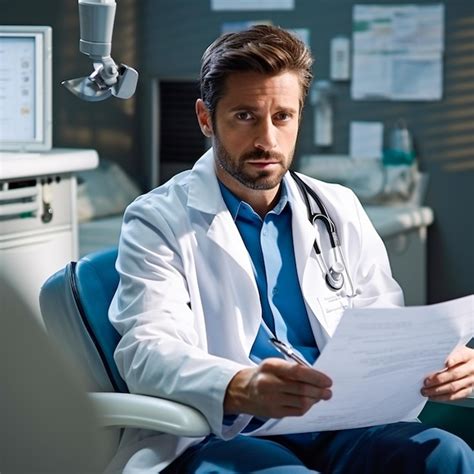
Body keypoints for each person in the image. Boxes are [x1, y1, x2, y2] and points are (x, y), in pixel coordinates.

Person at [107, 25, 474, 473]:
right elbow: (147, 349)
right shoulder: (157, 219)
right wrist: (239, 385)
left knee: (445, 455)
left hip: (344, 422)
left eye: (282, 116)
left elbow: (385, 328)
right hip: (228, 431)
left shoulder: (337, 207)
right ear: (206, 118)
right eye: (245, 116)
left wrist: (438, 364)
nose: (267, 139)